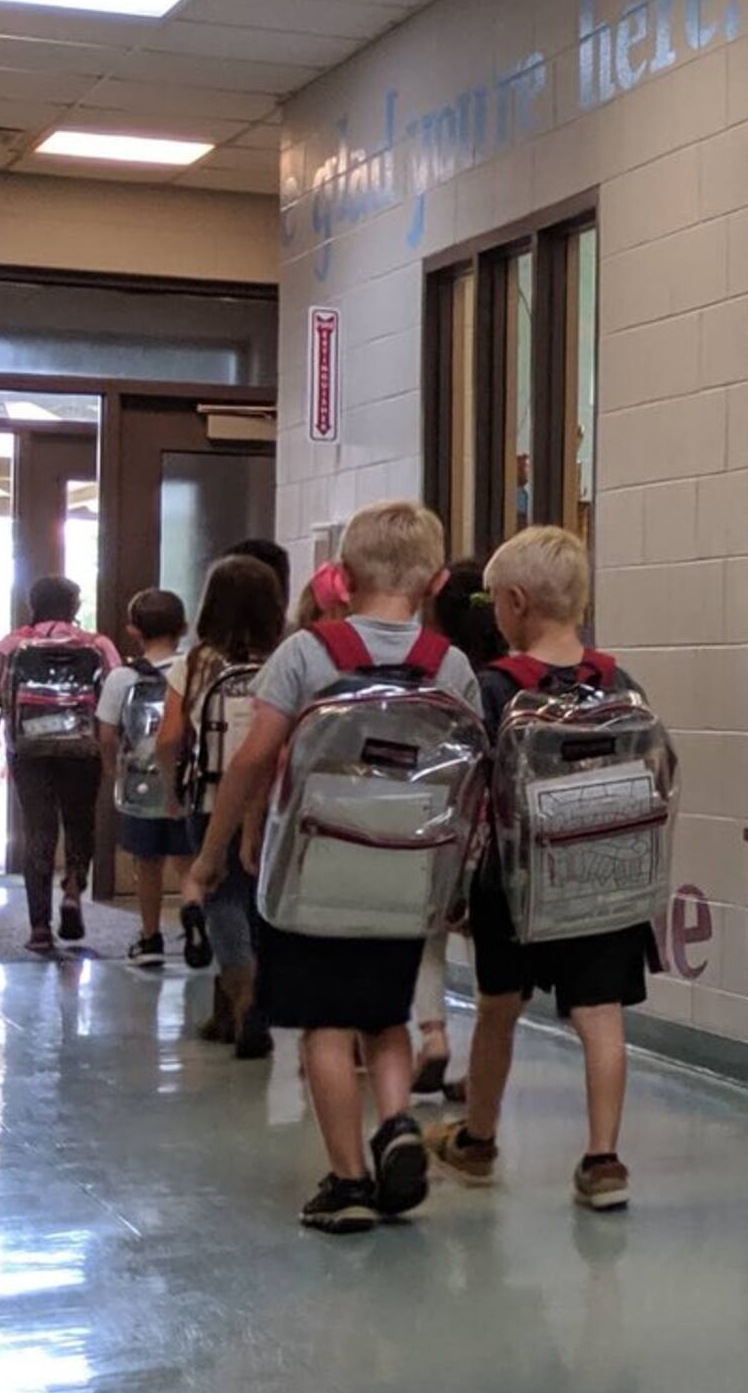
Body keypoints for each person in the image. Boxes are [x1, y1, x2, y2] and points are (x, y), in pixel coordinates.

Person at [191, 502, 475, 1234]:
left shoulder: (306, 653)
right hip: (405, 867)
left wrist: (213, 852)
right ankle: (397, 1122)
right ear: (435, 582)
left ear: (341, 578)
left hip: (314, 868)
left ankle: (348, 1180)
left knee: (325, 1024)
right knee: (384, 1014)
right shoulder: (449, 665)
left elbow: (254, 758)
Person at [434, 528, 649, 1213]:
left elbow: (466, 787)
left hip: (514, 881)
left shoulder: (496, 688)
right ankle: (604, 1159)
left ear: (516, 603)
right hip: (600, 875)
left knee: (498, 1008)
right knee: (601, 1015)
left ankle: (478, 1138)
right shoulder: (620, 684)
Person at [0, 575, 120, 956]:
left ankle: (39, 929)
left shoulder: (13, 644)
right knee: (79, 823)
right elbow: (116, 695)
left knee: (39, 833)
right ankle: (73, 890)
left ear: (33, 606)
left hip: (29, 750)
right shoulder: (97, 644)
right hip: (83, 749)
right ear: (74, 607)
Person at [170, 552, 286, 1056]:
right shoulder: (286, 661)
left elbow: (168, 737)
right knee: (262, 897)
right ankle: (246, 1001)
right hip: (277, 798)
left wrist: (171, 785)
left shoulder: (196, 663)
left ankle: (242, 994)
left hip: (211, 796)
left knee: (221, 896)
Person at [404, 557, 510, 1104]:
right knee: (493, 959)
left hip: (443, 819)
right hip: (502, 836)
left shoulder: (437, 671)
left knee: (427, 934)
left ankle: (433, 1034)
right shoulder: (511, 680)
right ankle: (481, 1068)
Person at [94, 588, 192, 964]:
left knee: (146, 863)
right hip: (187, 782)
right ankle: (197, 924)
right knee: (188, 860)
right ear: (184, 627)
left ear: (133, 630)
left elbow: (106, 733)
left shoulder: (122, 677)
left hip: (141, 784)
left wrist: (112, 769)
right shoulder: (194, 670)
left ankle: (150, 938)